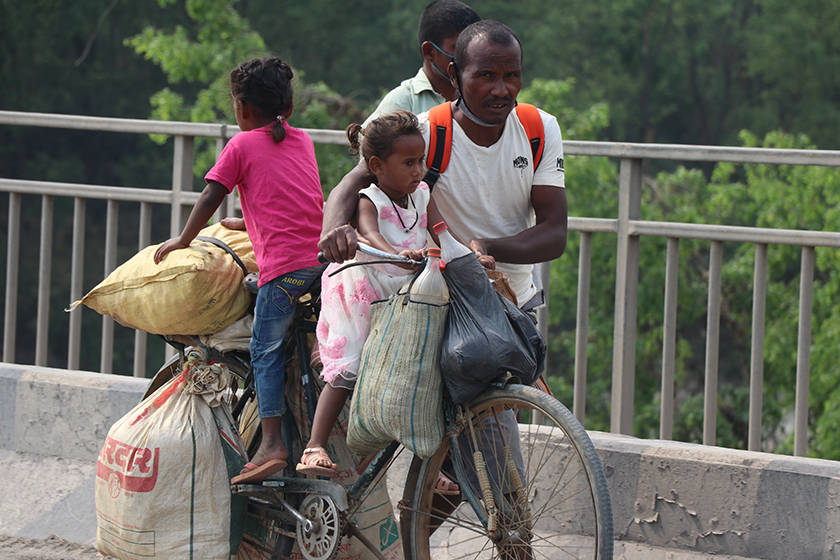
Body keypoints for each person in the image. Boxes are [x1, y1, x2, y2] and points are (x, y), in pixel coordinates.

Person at [153, 57, 326, 485]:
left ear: (243, 109)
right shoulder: (302, 140)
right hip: (321, 263)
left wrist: (184, 239)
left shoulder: (242, 145)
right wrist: (248, 222)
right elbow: (296, 206)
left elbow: (212, 195)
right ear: (288, 104)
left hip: (284, 272)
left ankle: (271, 443)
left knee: (263, 351)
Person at [321, 19, 568, 310]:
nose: (501, 90)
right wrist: (334, 230)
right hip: (437, 304)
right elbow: (354, 181)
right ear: (455, 75)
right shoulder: (426, 134)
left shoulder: (539, 128)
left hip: (515, 301)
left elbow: (554, 232)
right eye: (486, 75)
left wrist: (486, 245)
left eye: (511, 75)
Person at [296, 111, 433, 476]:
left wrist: (467, 251)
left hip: (400, 289)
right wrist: (396, 251)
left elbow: (442, 228)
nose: (418, 170)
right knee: (352, 366)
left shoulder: (422, 194)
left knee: (421, 365)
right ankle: (314, 445)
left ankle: (418, 465)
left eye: (421, 160)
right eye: (408, 163)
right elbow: (370, 235)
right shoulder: (369, 198)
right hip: (360, 288)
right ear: (376, 165)